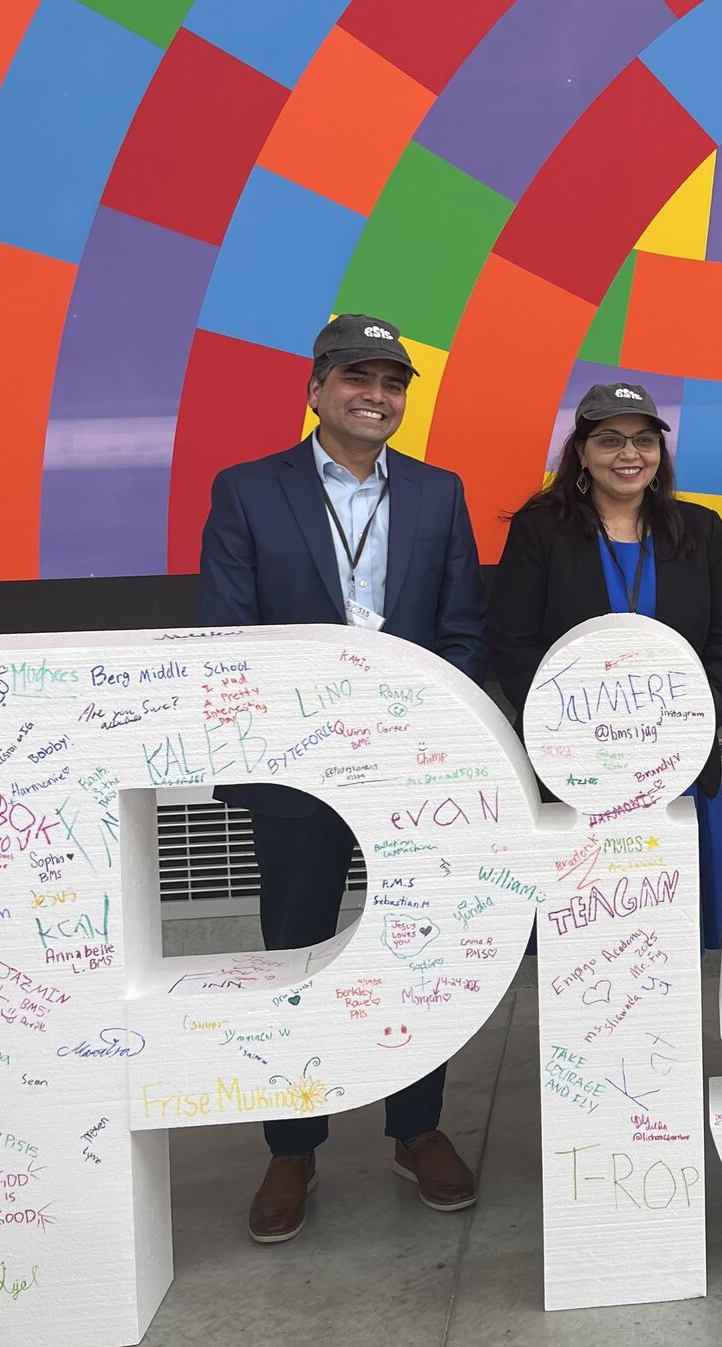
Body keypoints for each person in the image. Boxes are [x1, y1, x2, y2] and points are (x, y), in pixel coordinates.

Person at [198, 314, 488, 1243]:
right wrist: (315, 735)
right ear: (317, 389)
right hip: (295, 772)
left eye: (392, 382)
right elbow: (231, 637)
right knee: (295, 948)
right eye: (357, 378)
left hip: (412, 769)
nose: (377, 395)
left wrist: (424, 734)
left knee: (419, 945)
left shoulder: (441, 495)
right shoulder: (247, 490)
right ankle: (293, 1145)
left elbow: (464, 631)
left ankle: (417, 1129)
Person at [487, 381, 722, 950]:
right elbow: (513, 644)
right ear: (581, 451)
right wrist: (574, 733)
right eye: (610, 440)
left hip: (679, 760)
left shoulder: (701, 531)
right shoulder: (540, 532)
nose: (630, 454)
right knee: (588, 938)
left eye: (644, 440)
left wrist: (697, 719)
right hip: (578, 767)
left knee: (669, 937)